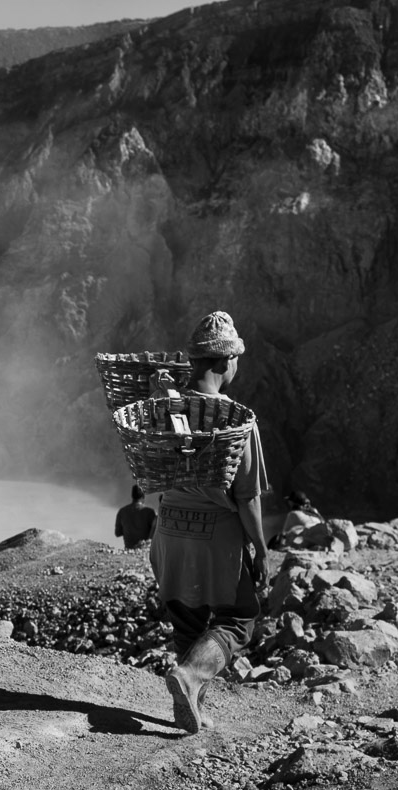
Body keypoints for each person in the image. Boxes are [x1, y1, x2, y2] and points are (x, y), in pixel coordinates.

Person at [149, 311, 269, 734]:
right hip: (215, 536)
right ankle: (191, 676)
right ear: (224, 363)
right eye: (235, 358)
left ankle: (191, 707)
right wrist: (260, 548)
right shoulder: (237, 420)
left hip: (167, 532)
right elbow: (248, 498)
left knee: (187, 618)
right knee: (240, 617)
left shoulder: (163, 411)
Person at [114, 484, 158, 549]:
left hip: (128, 548)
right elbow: (155, 532)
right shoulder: (149, 512)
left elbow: (117, 533)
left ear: (132, 496)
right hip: (144, 549)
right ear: (143, 496)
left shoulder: (122, 511)